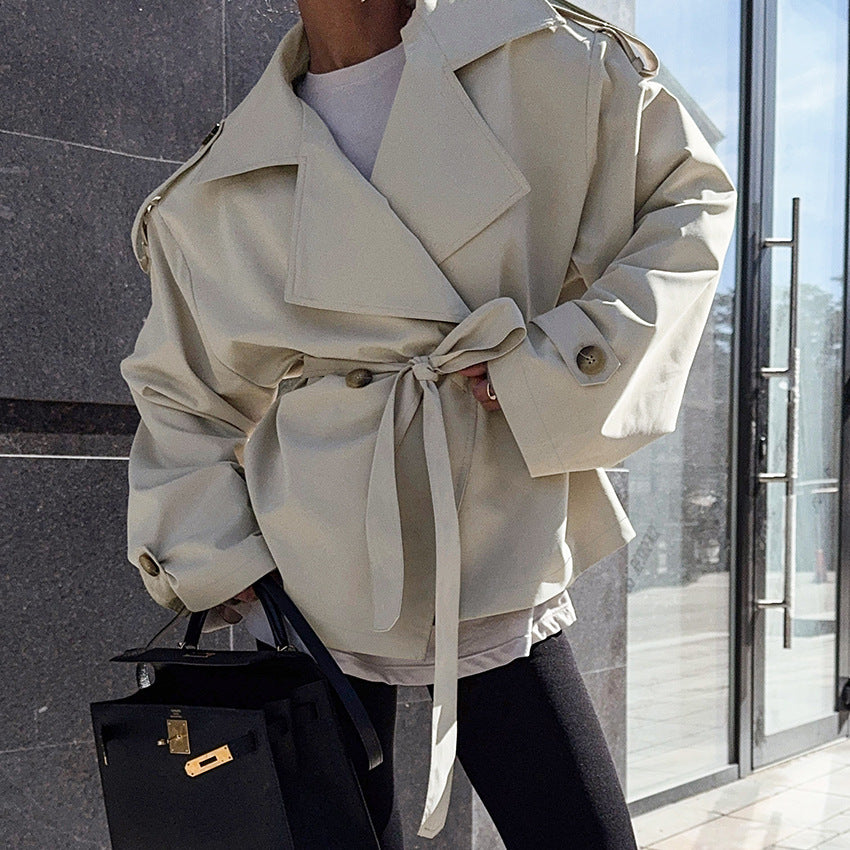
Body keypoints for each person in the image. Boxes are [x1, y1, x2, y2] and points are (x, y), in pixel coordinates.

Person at [119, 0, 737, 847]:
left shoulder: (550, 58)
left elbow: (688, 200)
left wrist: (568, 357)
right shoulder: (223, 174)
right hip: (309, 564)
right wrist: (210, 549)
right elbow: (180, 391)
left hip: (490, 532)